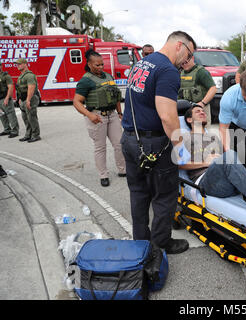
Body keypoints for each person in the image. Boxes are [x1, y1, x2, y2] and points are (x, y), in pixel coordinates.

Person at [121, 31, 196, 254]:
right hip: (153, 144)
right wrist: (179, 146)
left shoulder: (142, 63)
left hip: (130, 138)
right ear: (179, 45)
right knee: (164, 196)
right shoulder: (168, 71)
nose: (188, 61)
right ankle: (161, 242)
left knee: (138, 193)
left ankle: (141, 242)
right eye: (189, 54)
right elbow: (167, 116)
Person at [181, 104, 246, 222]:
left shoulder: (213, 138)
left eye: (203, 111)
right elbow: (179, 164)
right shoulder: (184, 138)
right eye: (197, 111)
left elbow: (228, 160)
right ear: (189, 120)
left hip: (227, 181)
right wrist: (205, 163)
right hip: (207, 182)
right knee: (230, 154)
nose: (202, 112)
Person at [73, 49, 126, 187]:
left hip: (112, 115)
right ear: (89, 64)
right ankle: (103, 175)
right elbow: (76, 102)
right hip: (97, 117)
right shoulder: (86, 81)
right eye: (97, 65)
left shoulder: (109, 76)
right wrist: (90, 115)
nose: (101, 67)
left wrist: (119, 113)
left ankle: (123, 169)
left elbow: (116, 96)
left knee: (120, 144)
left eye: (102, 64)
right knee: (100, 148)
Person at [178, 55, 217, 126]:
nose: (184, 64)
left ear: (192, 58)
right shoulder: (180, 72)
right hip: (186, 109)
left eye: (186, 61)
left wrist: (202, 103)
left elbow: (213, 88)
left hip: (200, 108)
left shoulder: (201, 72)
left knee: (202, 133)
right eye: (182, 63)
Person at [15, 58, 41, 143]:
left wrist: (28, 100)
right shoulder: (21, 76)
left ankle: (36, 135)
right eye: (17, 64)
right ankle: (28, 134)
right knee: (25, 118)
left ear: (25, 64)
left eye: (19, 64)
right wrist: (19, 99)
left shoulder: (29, 75)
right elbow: (19, 89)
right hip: (23, 99)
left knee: (32, 117)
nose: (17, 66)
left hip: (30, 98)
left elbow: (31, 88)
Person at [0, 63, 19, 138]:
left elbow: (11, 87)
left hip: (5, 98)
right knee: (2, 115)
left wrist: (7, 98)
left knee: (10, 114)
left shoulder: (6, 76)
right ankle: (7, 129)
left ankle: (15, 130)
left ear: (1, 66)